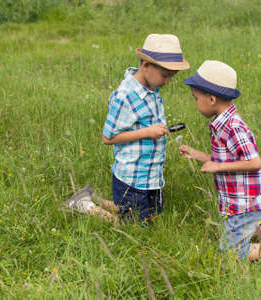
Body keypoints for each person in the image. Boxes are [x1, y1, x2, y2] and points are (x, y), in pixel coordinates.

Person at [179, 60, 261, 264]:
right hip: (237, 202)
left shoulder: (232, 127)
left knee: (232, 254)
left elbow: (255, 162)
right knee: (232, 232)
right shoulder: (222, 123)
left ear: (211, 99)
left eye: (196, 98)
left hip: (245, 203)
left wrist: (217, 166)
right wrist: (199, 155)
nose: (194, 103)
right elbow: (228, 159)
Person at [63, 34, 190, 223]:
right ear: (145, 65)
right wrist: (148, 132)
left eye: (171, 77)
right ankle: (84, 205)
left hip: (150, 174)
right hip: (133, 176)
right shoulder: (125, 96)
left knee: (153, 216)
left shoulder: (152, 90)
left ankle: (94, 197)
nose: (167, 81)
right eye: (165, 76)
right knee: (134, 225)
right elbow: (108, 138)